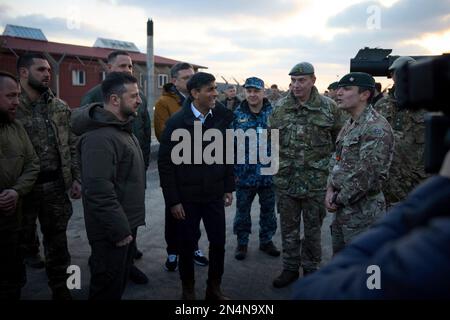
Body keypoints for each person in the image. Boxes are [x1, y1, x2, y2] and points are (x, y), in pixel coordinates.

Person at [293, 149, 450, 299]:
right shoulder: (349, 126)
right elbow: (337, 161)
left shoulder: (435, 250)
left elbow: (310, 293)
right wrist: (331, 189)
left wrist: (438, 187)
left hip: (367, 208)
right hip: (347, 208)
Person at [158, 72, 234, 300]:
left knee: (218, 243)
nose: (215, 93)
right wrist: (173, 201)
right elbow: (165, 164)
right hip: (186, 199)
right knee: (186, 245)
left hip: (213, 195)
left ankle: (214, 288)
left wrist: (228, 187)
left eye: (215, 89)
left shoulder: (219, 117)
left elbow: (226, 153)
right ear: (194, 93)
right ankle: (188, 290)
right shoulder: (176, 122)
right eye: (210, 89)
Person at [71, 72, 146, 300]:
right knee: (106, 289)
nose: (139, 100)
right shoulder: (100, 138)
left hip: (124, 224)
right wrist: (119, 230)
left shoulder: (121, 129)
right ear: (115, 100)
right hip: (111, 231)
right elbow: (98, 192)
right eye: (133, 96)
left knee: (117, 285)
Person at [269, 62, 344, 288]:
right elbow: (269, 143)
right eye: (292, 80)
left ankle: (311, 270)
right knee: (288, 229)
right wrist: (274, 174)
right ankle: (290, 268)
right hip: (287, 182)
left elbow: (339, 145)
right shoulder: (280, 108)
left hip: (317, 183)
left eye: (301, 80)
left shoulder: (330, 108)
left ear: (313, 80)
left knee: (313, 230)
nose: (296, 85)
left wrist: (333, 176)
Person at [16, 53, 81, 300]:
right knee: (17, 242)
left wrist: (76, 178)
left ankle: (61, 289)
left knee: (58, 242)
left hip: (54, 186)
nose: (47, 74)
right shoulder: (11, 106)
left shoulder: (59, 107)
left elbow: (72, 144)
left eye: (49, 70)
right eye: (41, 69)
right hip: (21, 189)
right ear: (23, 72)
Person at [326, 72, 394, 255]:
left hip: (364, 214)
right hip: (343, 211)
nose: (338, 93)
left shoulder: (376, 127)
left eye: (346, 89)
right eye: (339, 88)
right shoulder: (350, 123)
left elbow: (367, 175)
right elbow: (336, 159)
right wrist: (330, 190)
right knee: (342, 267)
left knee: (367, 272)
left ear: (365, 95)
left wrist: (337, 199)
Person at [154, 62, 208, 271]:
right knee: (174, 212)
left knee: (195, 212)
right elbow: (162, 133)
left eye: (192, 76)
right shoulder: (164, 103)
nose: (191, 80)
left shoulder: (201, 100)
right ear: (174, 81)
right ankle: (173, 251)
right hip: (177, 168)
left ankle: (193, 247)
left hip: (200, 167)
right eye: (186, 78)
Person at [0, 71, 39, 300]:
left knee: (12, 278)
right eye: (10, 96)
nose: (17, 101)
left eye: (18, 95)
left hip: (12, 223)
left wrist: (16, 191)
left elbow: (33, 163)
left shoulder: (16, 128)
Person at [231, 77, 279, 260]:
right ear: (245, 92)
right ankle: (242, 243)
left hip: (268, 174)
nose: (252, 94)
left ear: (263, 92)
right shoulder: (237, 115)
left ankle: (266, 241)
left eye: (256, 91)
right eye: (249, 91)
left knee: (268, 211)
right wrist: (232, 172)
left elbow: (281, 142)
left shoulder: (274, 114)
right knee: (242, 212)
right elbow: (230, 146)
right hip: (245, 175)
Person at [374, 56, 428, 207]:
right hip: (388, 183)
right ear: (392, 76)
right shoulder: (382, 105)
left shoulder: (430, 105)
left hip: (419, 181)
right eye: (399, 73)